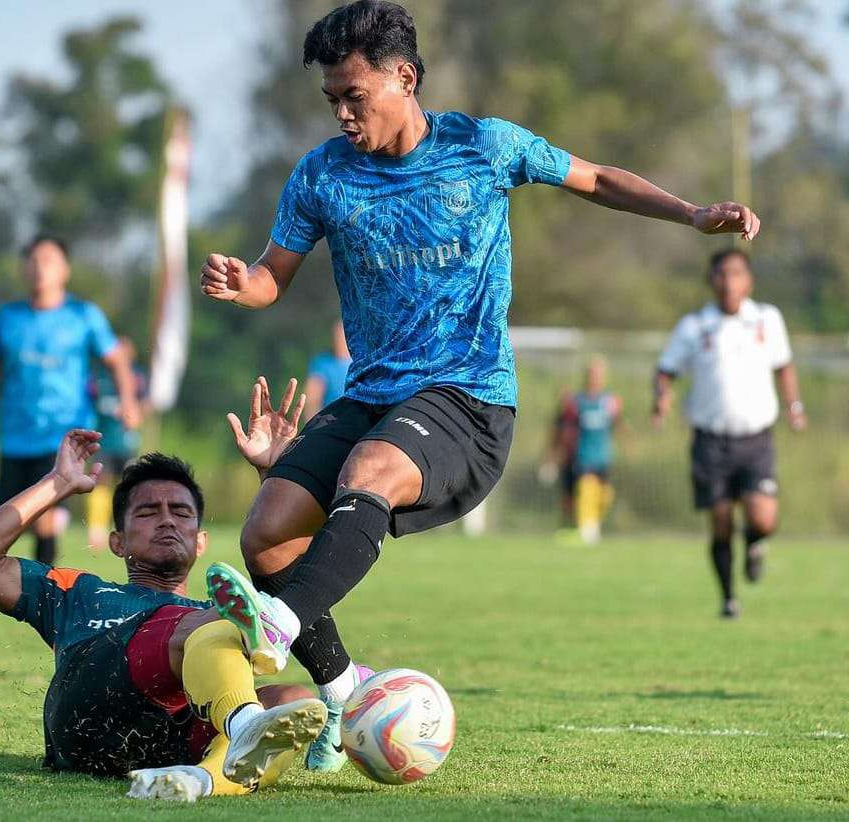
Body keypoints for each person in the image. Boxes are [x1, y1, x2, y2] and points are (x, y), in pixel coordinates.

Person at [198, 0, 761, 771]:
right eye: (330, 98)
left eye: (353, 96)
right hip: (373, 395)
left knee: (368, 474)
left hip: (468, 398)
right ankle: (338, 696)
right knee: (266, 529)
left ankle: (282, 622)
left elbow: (595, 178)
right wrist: (242, 283)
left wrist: (693, 214)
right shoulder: (322, 174)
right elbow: (273, 278)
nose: (341, 113)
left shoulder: (485, 146)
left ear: (405, 77)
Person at [0, 379, 327, 802]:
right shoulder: (76, 590)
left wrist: (275, 478)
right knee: (213, 625)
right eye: (147, 512)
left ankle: (200, 782)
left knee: (292, 699)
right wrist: (57, 484)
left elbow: (290, 578)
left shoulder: (215, 615)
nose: (167, 521)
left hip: (167, 741)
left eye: (181, 513)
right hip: (85, 723)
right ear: (118, 542)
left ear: (200, 540)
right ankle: (243, 724)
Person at [0, 234, 142, 565]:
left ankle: (46, 592)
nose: (41, 268)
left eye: (49, 260)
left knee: (47, 519)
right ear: (24, 269)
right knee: (3, 521)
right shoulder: (8, 318)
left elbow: (116, 361)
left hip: (63, 435)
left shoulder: (84, 315)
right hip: (15, 434)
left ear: (65, 269)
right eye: (34, 261)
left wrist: (128, 400)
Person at [653, 249, 806, 618]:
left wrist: (794, 406)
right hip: (711, 441)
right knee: (720, 523)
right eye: (721, 274)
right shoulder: (695, 326)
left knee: (763, 518)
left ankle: (755, 545)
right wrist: (662, 397)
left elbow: (783, 366)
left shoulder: (767, 319)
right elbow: (666, 370)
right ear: (711, 280)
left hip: (755, 439)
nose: (728, 282)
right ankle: (729, 599)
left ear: (748, 280)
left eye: (736, 274)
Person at [546, 357, 622, 544]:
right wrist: (554, 454)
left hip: (603, 457)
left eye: (598, 374)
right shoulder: (576, 402)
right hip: (582, 457)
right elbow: (561, 428)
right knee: (585, 491)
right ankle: (585, 531)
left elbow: (619, 425)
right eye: (592, 374)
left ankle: (589, 527)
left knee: (605, 496)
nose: (595, 378)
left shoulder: (610, 401)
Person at [86, 336, 149, 550]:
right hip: (103, 439)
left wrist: (138, 414)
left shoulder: (137, 376)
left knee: (129, 485)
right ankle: (96, 531)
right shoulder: (97, 378)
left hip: (127, 441)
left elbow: (145, 402)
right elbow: (86, 402)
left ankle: (128, 527)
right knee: (100, 483)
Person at [302, 319, 351, 422]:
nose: (340, 339)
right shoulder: (321, 363)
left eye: (343, 335)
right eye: (337, 335)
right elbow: (312, 400)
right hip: (331, 420)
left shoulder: (361, 362)